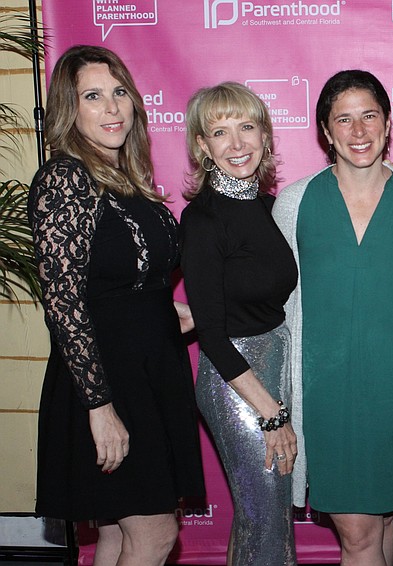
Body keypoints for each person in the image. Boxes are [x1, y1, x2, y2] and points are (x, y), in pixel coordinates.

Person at [27, 45, 205, 564]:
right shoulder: (65, 179)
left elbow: (124, 285)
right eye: (93, 96)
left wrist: (177, 315)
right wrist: (99, 408)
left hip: (149, 372)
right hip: (106, 382)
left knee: (115, 535)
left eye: (119, 93)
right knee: (154, 535)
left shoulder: (128, 182)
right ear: (70, 109)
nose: (111, 108)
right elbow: (63, 303)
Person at [272, 69, 393, 566]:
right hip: (327, 400)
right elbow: (274, 301)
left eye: (369, 116)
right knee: (361, 540)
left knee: (384, 528)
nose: (359, 131)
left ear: (388, 124)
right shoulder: (295, 202)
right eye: (343, 120)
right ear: (325, 131)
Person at [179, 82, 298, 565]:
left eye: (247, 127)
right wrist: (271, 413)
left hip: (277, 366)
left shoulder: (272, 209)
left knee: (262, 517)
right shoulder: (203, 220)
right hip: (238, 384)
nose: (237, 144)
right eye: (220, 132)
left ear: (265, 137)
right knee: (265, 515)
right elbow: (212, 333)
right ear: (203, 147)